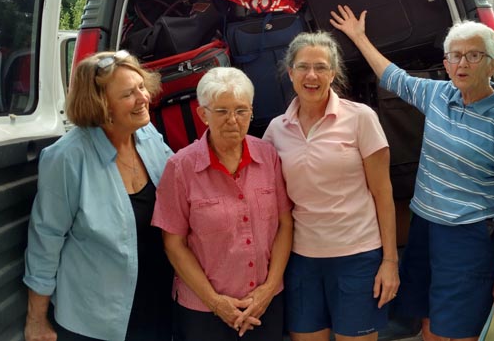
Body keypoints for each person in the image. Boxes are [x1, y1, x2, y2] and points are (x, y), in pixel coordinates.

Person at [330, 7, 494, 341]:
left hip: (469, 237)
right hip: (425, 228)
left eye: (473, 56)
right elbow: (393, 76)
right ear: (445, 62)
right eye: (455, 56)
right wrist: (358, 36)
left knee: (453, 331)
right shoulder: (439, 94)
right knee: (428, 323)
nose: (462, 64)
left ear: (491, 61)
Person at [23, 50, 174, 341]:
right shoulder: (66, 158)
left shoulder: (147, 135)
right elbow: (46, 239)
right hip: (95, 319)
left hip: (155, 304)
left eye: (141, 86)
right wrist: (36, 320)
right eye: (129, 94)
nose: (144, 98)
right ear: (101, 105)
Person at [262, 32, 400, 341]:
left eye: (321, 67)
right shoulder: (275, 130)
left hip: (358, 257)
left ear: (333, 73)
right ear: (290, 73)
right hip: (301, 260)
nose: (312, 75)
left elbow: (383, 194)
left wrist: (389, 262)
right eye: (303, 67)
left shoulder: (361, 118)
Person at [151, 66, 293, 341]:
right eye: (221, 111)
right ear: (203, 114)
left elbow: (285, 225)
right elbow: (174, 244)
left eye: (241, 111)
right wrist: (216, 302)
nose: (233, 120)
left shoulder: (268, 156)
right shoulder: (181, 167)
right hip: (203, 311)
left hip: (265, 304)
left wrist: (269, 288)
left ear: (251, 112)